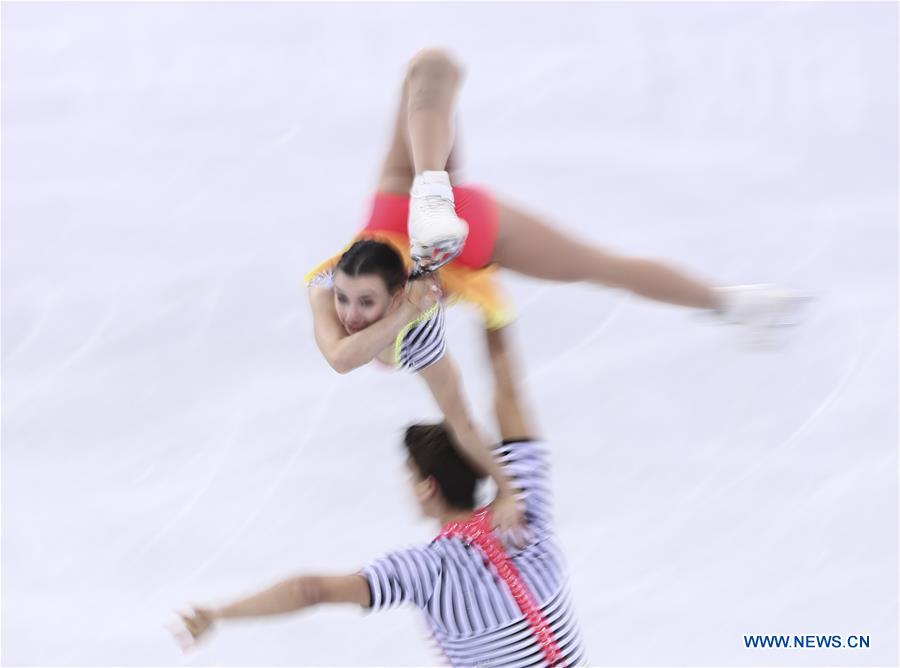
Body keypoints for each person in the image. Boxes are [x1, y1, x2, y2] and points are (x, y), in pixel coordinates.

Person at [306, 47, 807, 532]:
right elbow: (453, 419)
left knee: (432, 71)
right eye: (354, 305)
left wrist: (505, 488)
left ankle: (738, 305)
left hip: (441, 237)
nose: (349, 314)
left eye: (360, 303)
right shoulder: (371, 305)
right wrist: (504, 488)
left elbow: (350, 361)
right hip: (423, 218)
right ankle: (433, 188)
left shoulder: (374, 315)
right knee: (432, 71)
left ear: (394, 296)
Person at [173, 326, 587, 666]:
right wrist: (489, 303)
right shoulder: (523, 511)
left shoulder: (428, 573)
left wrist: (219, 614)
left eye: (409, 475)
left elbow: (310, 590)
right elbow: (509, 391)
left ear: (428, 488)